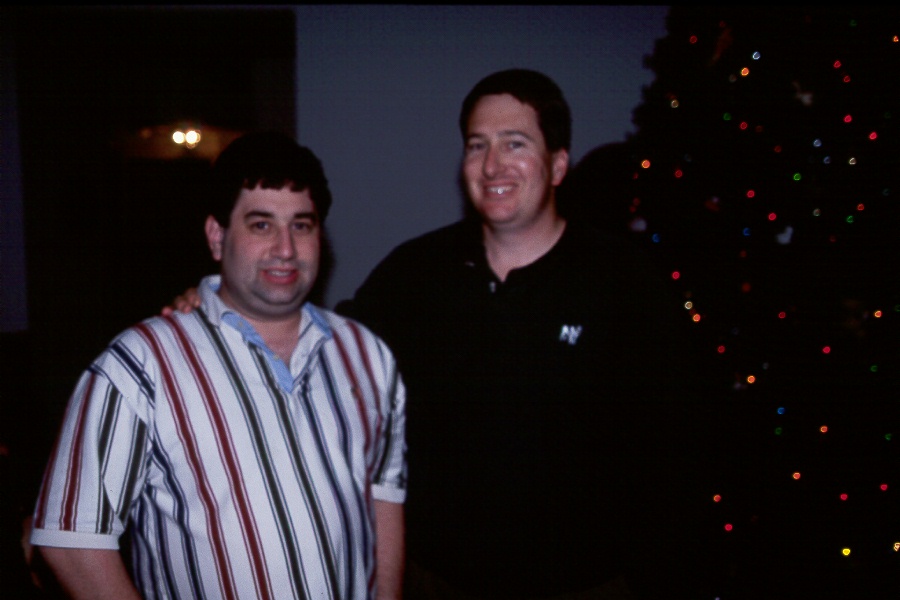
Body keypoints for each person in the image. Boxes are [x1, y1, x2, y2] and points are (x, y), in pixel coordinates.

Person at [168, 70, 709, 599]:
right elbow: (322, 346)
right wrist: (221, 301)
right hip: (437, 583)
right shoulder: (416, 273)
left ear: (558, 164)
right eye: (477, 145)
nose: (492, 165)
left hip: (587, 585)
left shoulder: (625, 283)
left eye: (514, 143)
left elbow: (675, 458)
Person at [29, 131, 408, 600]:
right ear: (217, 235)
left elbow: (384, 499)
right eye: (261, 225)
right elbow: (70, 539)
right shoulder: (142, 363)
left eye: (302, 225)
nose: (285, 249)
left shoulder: (367, 355)